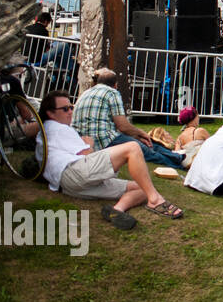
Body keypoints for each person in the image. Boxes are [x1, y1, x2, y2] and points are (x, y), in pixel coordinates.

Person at [37, 90, 184, 229]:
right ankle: (155, 201)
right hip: (73, 173)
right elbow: (86, 154)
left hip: (69, 185)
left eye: (71, 107)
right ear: (50, 113)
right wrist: (89, 144)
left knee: (143, 186)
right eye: (65, 109)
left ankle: (117, 210)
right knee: (132, 148)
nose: (70, 112)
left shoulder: (48, 129)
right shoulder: (57, 128)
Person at [73, 68, 184, 168]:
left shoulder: (85, 93)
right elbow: (122, 126)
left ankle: (179, 158)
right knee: (145, 149)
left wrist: (136, 135)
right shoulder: (111, 92)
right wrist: (141, 133)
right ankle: (180, 164)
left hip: (83, 142)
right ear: (115, 84)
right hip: (103, 140)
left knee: (145, 143)